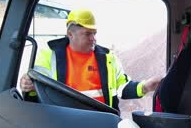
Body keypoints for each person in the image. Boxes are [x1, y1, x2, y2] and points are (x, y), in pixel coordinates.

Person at [20, 8, 162, 110]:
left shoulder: (108, 58)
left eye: (94, 33)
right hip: (62, 122)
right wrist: (28, 85)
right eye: (87, 34)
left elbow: (122, 88)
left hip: (102, 120)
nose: (93, 38)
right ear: (70, 34)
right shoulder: (49, 56)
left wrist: (145, 86)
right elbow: (38, 88)